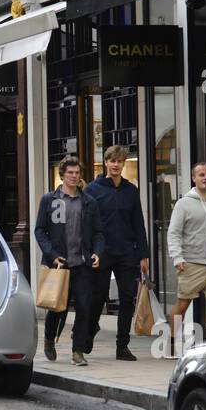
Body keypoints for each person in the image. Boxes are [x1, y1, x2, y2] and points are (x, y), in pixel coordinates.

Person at [34, 156, 104, 366]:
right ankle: (48, 339)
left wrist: (97, 252)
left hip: (82, 263)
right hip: (59, 265)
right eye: (70, 173)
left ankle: (77, 351)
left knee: (84, 307)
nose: (74, 176)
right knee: (57, 308)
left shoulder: (88, 202)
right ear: (62, 175)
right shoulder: (50, 200)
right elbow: (40, 230)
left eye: (77, 173)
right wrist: (52, 254)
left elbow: (99, 232)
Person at [86, 146, 151, 361]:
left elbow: (138, 224)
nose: (116, 165)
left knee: (127, 299)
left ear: (123, 164)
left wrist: (143, 254)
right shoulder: (93, 190)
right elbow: (87, 224)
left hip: (126, 252)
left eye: (119, 162)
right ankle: (90, 329)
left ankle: (122, 345)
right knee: (97, 297)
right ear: (105, 163)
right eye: (112, 161)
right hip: (102, 252)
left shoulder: (131, 191)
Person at [166, 162, 206, 355]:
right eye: (201, 175)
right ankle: (170, 338)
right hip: (190, 264)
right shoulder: (183, 204)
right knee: (183, 304)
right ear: (194, 178)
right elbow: (174, 233)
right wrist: (177, 257)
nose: (205, 178)